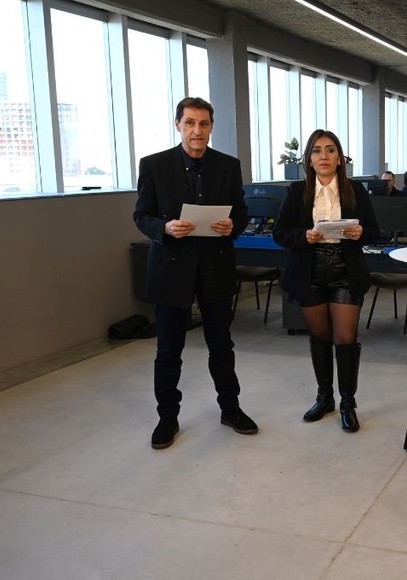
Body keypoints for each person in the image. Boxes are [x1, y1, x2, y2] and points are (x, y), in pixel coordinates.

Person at [133, 97, 259, 449]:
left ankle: (230, 409)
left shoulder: (228, 166)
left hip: (215, 266)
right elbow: (141, 215)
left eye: (203, 124)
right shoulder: (154, 165)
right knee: (168, 350)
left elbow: (242, 212)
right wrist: (166, 228)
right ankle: (167, 418)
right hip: (171, 268)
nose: (197, 130)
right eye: (190, 123)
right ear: (178, 125)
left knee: (222, 345)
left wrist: (232, 224)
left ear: (211, 127)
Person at [272, 129, 380, 433]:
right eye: (317, 151)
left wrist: (362, 233)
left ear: (340, 158)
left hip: (345, 268)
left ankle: (348, 402)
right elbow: (279, 233)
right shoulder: (296, 191)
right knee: (319, 337)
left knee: (345, 338)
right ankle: (325, 397)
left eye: (330, 150)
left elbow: (374, 230)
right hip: (309, 269)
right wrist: (304, 235)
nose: (323, 156)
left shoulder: (355, 190)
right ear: (308, 158)